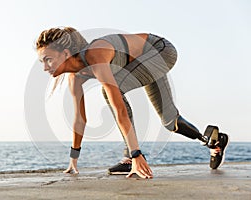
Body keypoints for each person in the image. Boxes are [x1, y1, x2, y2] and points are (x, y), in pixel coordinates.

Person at [36, 27, 229, 179]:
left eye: (48, 60)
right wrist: (73, 159)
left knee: (113, 90)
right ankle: (214, 142)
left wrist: (136, 154)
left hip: (160, 51)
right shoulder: (74, 78)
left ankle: (130, 157)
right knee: (170, 121)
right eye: (42, 62)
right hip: (140, 61)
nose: (45, 67)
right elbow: (79, 119)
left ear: (66, 53)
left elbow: (119, 107)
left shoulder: (95, 54)